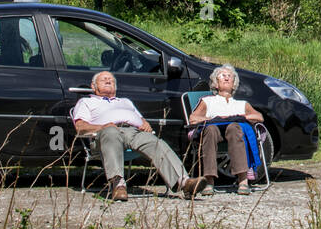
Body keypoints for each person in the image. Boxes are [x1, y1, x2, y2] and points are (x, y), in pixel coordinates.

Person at [72, 70, 206, 201]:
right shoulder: (86, 102)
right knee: (111, 132)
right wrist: (103, 127)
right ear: (93, 86)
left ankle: (185, 183)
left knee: (156, 142)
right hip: (105, 134)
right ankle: (118, 185)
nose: (108, 81)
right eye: (104, 80)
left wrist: (144, 123)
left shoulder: (125, 101)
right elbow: (80, 127)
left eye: (111, 80)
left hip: (133, 132)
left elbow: (140, 118)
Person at [188, 64, 264, 195]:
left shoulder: (241, 104)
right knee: (210, 129)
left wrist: (239, 116)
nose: (227, 78)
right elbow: (193, 118)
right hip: (213, 131)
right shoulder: (208, 101)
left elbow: (259, 117)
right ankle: (209, 181)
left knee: (234, 127)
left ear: (234, 84)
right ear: (215, 83)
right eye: (223, 76)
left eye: (230, 76)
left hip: (233, 132)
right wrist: (215, 119)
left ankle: (243, 181)